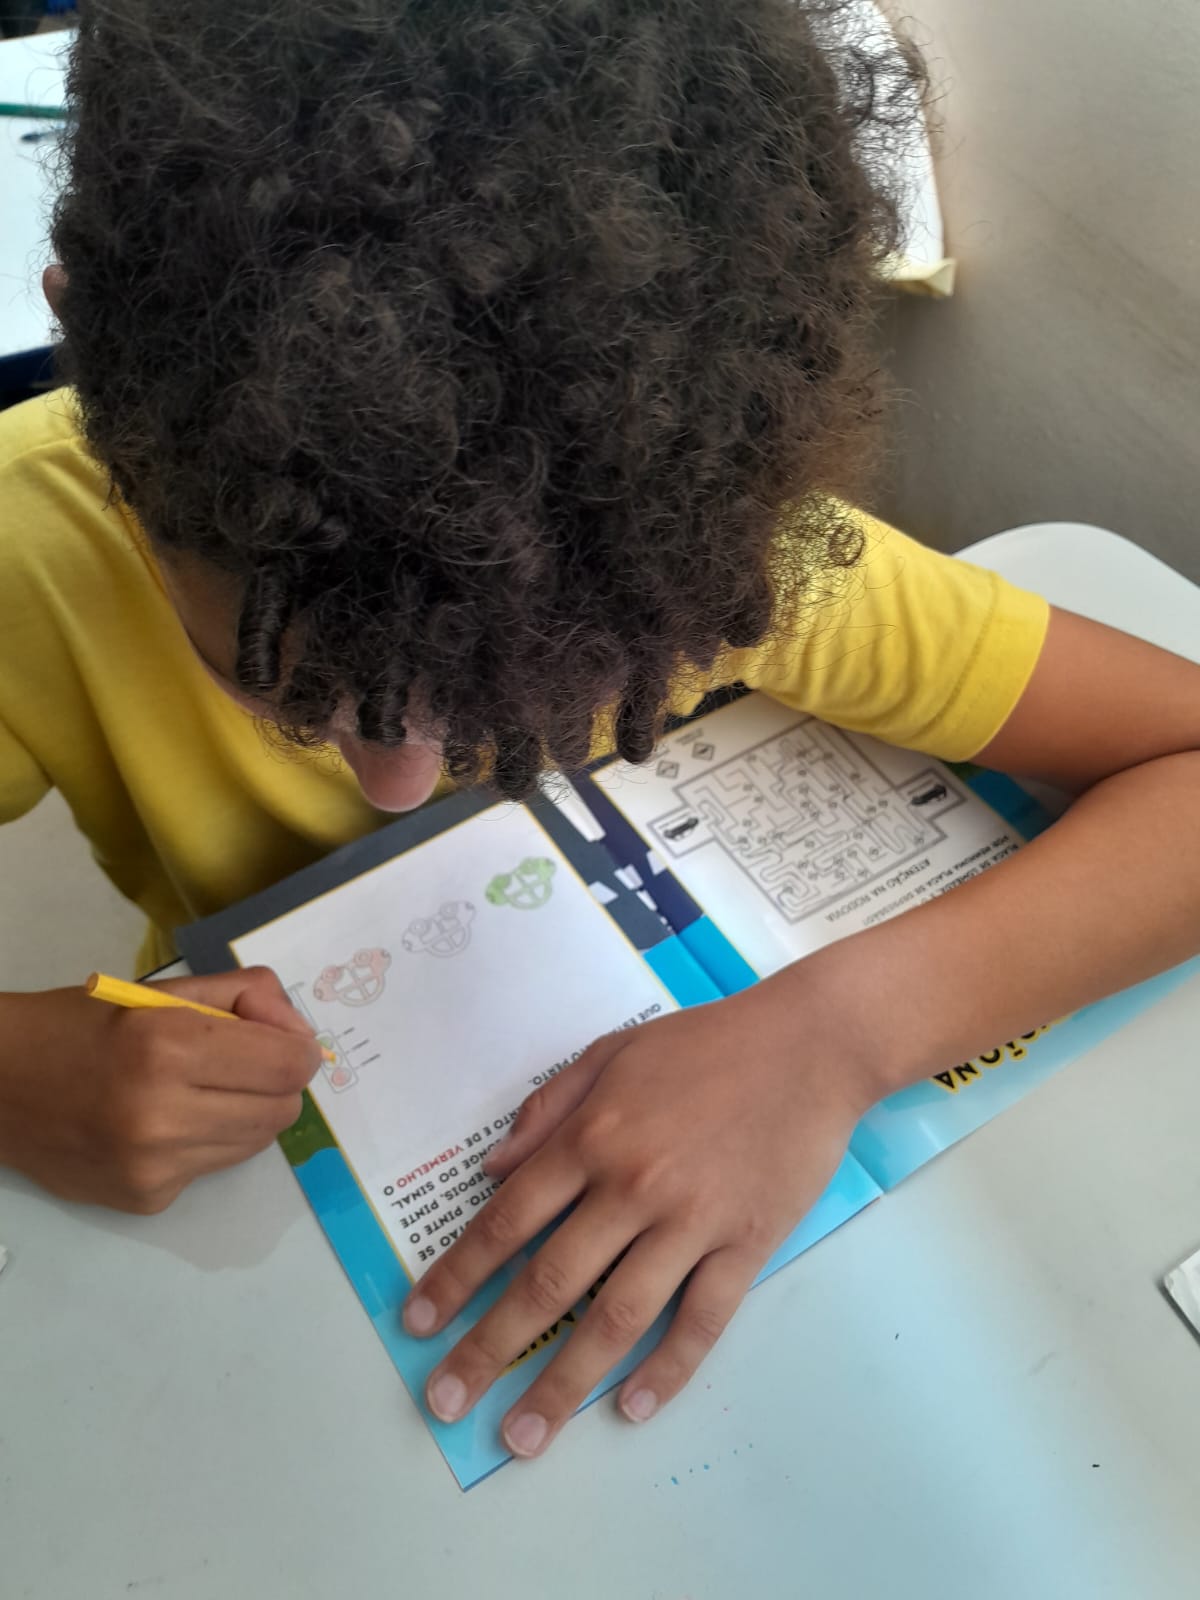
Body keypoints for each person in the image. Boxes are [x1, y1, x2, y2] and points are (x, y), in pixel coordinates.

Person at [1, 0, 1197, 1462]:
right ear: (98, 380)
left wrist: (837, 1035)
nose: (399, 784)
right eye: (294, 690)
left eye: (527, 700)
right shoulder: (22, 546)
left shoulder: (716, 548)